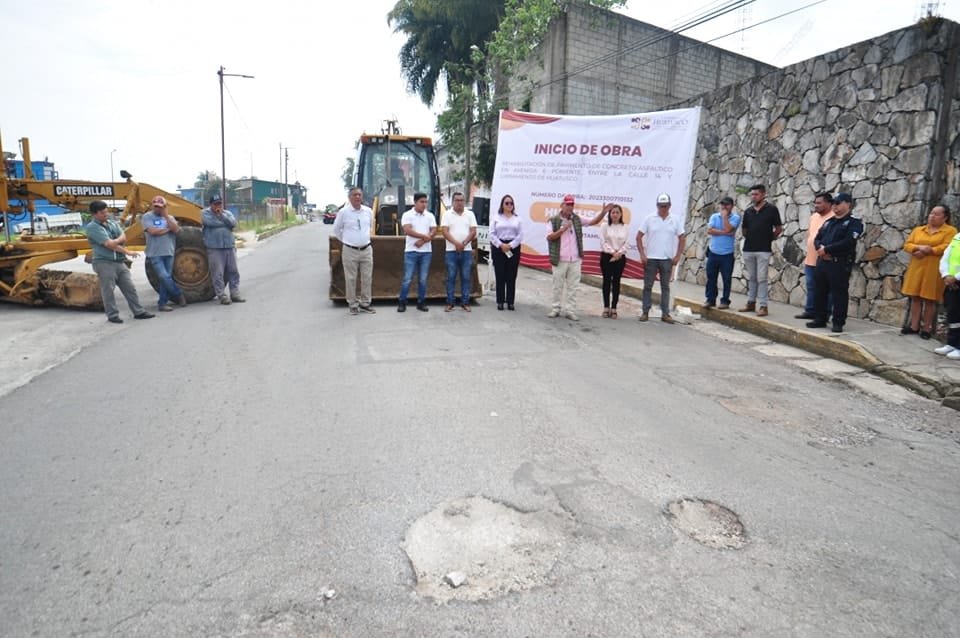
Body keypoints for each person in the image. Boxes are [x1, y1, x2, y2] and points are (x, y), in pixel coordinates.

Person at [84, 200, 155, 324]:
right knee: (108, 290)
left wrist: (115, 241)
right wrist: (126, 250)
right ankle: (112, 315)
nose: (106, 214)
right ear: (94, 214)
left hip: (119, 261)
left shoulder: (111, 223)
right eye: (102, 213)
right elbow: (109, 244)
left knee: (130, 287)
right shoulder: (92, 227)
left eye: (106, 212)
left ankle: (138, 311)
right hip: (104, 262)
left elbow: (123, 236)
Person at [806, 192, 863, 333]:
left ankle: (838, 322)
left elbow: (848, 242)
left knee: (839, 293)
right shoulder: (829, 222)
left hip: (839, 263)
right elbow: (818, 238)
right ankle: (820, 318)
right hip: (823, 262)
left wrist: (827, 249)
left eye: (838, 203)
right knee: (820, 291)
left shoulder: (853, 223)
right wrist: (820, 249)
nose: (835, 206)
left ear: (847, 204)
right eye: (834, 204)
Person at [900, 204, 956, 339]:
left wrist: (930, 250)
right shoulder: (919, 229)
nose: (932, 216)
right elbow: (907, 244)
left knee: (930, 299)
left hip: (933, 269)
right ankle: (914, 326)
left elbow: (947, 246)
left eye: (936, 214)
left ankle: (926, 328)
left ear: (945, 217)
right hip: (917, 267)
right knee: (915, 297)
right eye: (931, 213)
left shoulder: (950, 231)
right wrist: (917, 248)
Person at [637, 193, 685, 324]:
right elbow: (639, 236)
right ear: (657, 205)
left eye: (665, 206)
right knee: (648, 286)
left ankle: (665, 313)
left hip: (666, 259)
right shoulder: (649, 218)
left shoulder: (675, 220)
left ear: (670, 205)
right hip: (651, 258)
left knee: (665, 287)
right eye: (660, 206)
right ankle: (645, 311)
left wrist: (678, 255)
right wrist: (642, 254)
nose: (663, 208)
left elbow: (682, 238)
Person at [739, 184, 782, 317]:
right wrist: (751, 237)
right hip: (748, 249)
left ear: (763, 195)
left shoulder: (772, 209)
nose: (753, 197)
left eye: (756, 194)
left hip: (763, 249)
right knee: (752, 277)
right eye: (752, 194)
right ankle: (751, 303)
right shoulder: (748, 211)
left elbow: (778, 228)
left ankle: (763, 306)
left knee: (762, 278)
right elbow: (744, 229)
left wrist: (769, 238)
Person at [333, 187, 376, 315]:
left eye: (359, 195)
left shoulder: (368, 211)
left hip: (366, 249)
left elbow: (370, 227)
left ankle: (365, 303)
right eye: (354, 195)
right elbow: (337, 230)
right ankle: (352, 304)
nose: (357, 197)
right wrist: (347, 241)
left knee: (367, 278)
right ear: (349, 197)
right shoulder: (343, 213)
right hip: (350, 250)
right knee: (351, 278)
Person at [141, 195, 186, 311]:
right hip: (155, 252)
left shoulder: (169, 217)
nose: (158, 209)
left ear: (165, 207)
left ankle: (162, 303)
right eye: (156, 206)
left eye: (160, 207)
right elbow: (152, 231)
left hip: (169, 251)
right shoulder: (147, 217)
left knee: (165, 279)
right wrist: (168, 229)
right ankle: (178, 294)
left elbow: (176, 230)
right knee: (164, 276)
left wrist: (166, 216)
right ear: (152, 206)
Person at [795, 192, 834, 319]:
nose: (816, 205)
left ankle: (825, 313)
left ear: (828, 203)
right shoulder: (814, 217)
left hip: (825, 259)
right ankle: (810, 310)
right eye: (815, 203)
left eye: (819, 203)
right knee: (811, 286)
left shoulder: (833, 218)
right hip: (811, 258)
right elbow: (811, 235)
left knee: (827, 289)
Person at [546, 194, 584, 320]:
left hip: (575, 259)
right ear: (562, 205)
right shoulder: (553, 220)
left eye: (572, 204)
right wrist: (563, 229)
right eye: (567, 204)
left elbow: (592, 222)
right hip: (560, 259)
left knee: (573, 286)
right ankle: (555, 309)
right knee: (557, 285)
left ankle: (570, 310)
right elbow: (550, 237)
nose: (570, 207)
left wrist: (603, 213)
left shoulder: (576, 219)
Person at [202, 194, 244, 305]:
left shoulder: (227, 213)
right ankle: (222, 295)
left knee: (233, 271)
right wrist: (225, 224)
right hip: (215, 248)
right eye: (215, 204)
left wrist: (221, 215)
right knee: (218, 273)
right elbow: (210, 223)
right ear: (211, 204)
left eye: (219, 203)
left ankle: (235, 293)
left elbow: (233, 223)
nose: (218, 206)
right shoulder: (205, 213)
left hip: (229, 246)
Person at [398, 192, 437, 312]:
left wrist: (423, 240)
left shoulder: (430, 215)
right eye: (421, 202)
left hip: (426, 252)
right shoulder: (407, 215)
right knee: (407, 278)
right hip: (411, 251)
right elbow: (407, 230)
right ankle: (402, 302)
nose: (424, 204)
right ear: (415, 202)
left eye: (425, 202)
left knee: (423, 279)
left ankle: (421, 302)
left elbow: (434, 230)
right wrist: (424, 237)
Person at [441, 191, 477, 312]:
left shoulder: (470, 214)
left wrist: (464, 243)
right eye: (457, 200)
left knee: (466, 277)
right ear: (452, 202)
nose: (459, 202)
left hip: (466, 251)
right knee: (451, 277)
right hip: (451, 251)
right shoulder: (447, 214)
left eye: (461, 200)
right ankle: (450, 302)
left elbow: (473, 231)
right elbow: (445, 231)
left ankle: (465, 302)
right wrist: (456, 244)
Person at [704, 196, 740, 310]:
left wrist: (724, 218)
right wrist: (724, 232)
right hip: (713, 252)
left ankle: (725, 301)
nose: (724, 207)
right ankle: (710, 299)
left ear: (732, 206)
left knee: (726, 278)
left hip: (727, 254)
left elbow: (729, 229)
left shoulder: (735, 218)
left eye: (727, 205)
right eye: (722, 204)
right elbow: (710, 230)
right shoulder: (714, 216)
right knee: (711, 277)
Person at [489, 194, 523, 310]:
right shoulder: (496, 217)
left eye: (511, 203)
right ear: (502, 205)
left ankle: (510, 301)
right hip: (499, 247)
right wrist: (501, 245)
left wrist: (510, 245)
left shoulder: (517, 218)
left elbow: (520, 235)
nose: (509, 205)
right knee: (500, 274)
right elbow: (492, 234)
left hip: (513, 247)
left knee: (511, 275)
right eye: (507, 203)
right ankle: (500, 301)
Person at [599, 203, 629, 318]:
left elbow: (627, 243)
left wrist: (618, 254)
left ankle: (614, 308)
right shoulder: (604, 226)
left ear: (621, 214)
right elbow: (603, 241)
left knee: (616, 282)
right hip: (607, 257)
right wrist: (612, 252)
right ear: (610, 214)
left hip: (620, 258)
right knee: (606, 281)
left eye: (617, 212)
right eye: (613, 212)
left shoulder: (625, 227)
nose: (615, 214)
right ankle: (606, 307)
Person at [934, 228, 960, 361]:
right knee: (953, 314)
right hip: (951, 282)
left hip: (956, 280)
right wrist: (946, 275)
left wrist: (956, 277)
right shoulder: (957, 237)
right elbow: (945, 257)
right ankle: (952, 343)